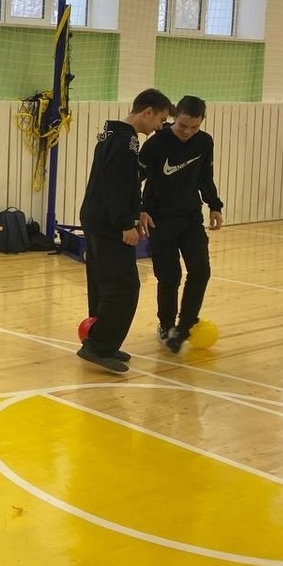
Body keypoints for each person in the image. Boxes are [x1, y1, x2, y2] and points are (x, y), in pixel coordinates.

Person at [77, 88, 173, 374]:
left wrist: (136, 210)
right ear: (148, 112)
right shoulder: (126, 142)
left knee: (102, 283)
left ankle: (101, 339)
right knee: (124, 286)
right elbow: (116, 186)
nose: (160, 127)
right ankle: (99, 346)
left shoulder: (112, 135)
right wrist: (125, 223)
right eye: (161, 119)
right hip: (109, 224)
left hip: (96, 218)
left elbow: (122, 183)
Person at [138, 96, 224, 353]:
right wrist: (139, 209)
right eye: (183, 125)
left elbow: (205, 177)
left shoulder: (204, 142)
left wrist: (214, 205)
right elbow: (133, 179)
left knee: (201, 271)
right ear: (175, 118)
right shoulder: (156, 144)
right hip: (159, 219)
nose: (188, 132)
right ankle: (166, 324)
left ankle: (185, 325)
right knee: (169, 276)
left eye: (194, 127)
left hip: (190, 218)